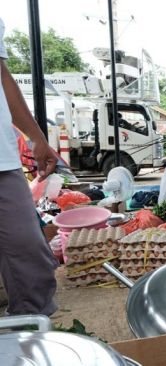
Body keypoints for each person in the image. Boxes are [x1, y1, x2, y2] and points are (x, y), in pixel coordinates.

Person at [0, 18, 59, 316]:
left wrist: (36, 136)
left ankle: (30, 332)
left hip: (1, 160)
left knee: (29, 253)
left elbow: (2, 76)